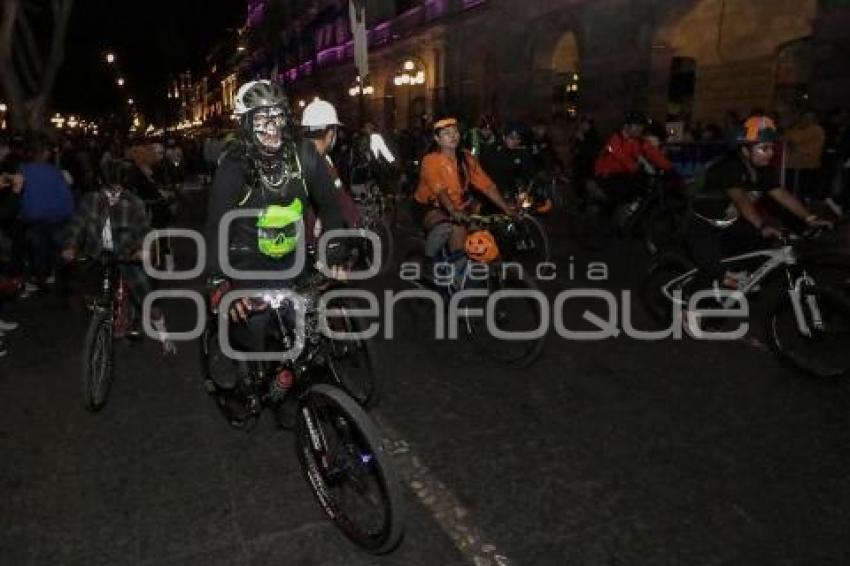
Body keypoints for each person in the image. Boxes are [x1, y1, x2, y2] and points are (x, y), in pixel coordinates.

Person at [204, 81, 349, 391]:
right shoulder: (233, 166)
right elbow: (216, 227)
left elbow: (331, 209)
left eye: (278, 118)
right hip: (245, 263)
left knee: (309, 337)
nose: (272, 128)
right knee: (253, 335)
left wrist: (331, 253)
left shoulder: (306, 155)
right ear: (245, 124)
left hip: (292, 258)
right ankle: (234, 360)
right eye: (260, 120)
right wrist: (220, 284)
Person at [686, 115, 831, 292]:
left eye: (771, 148)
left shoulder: (763, 170)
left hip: (729, 221)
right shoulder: (729, 166)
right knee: (712, 269)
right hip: (703, 222)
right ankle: (686, 307)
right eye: (764, 148)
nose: (770, 153)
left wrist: (810, 217)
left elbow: (782, 195)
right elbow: (741, 200)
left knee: (758, 246)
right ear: (746, 151)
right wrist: (761, 225)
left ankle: (734, 277)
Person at [61, 159, 176, 354]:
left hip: (127, 254)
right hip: (97, 253)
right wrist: (70, 245)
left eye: (118, 191)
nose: (113, 197)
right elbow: (76, 224)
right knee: (79, 286)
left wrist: (144, 249)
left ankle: (165, 338)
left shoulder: (134, 203)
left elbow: (144, 230)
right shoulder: (89, 200)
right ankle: (101, 323)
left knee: (146, 295)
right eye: (109, 192)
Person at [413, 117, 516, 264]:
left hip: (460, 204)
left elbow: (486, 185)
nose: (453, 136)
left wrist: (506, 208)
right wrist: (453, 211)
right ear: (437, 138)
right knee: (450, 228)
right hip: (430, 206)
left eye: (455, 132)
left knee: (482, 231)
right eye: (447, 133)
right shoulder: (430, 161)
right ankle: (429, 261)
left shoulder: (467, 158)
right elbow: (440, 191)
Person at [594, 112, 674, 207]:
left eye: (641, 126)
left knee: (644, 186)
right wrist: (637, 169)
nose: (640, 129)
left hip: (624, 174)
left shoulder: (638, 140)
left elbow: (653, 154)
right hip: (607, 175)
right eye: (636, 126)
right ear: (627, 126)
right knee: (623, 193)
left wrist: (669, 167)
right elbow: (621, 157)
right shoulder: (615, 139)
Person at [479, 121, 536, 203]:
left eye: (518, 139)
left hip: (514, 192)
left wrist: (525, 189)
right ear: (504, 137)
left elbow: (529, 174)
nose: (515, 141)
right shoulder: (492, 151)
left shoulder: (522, 152)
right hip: (493, 192)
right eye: (512, 138)